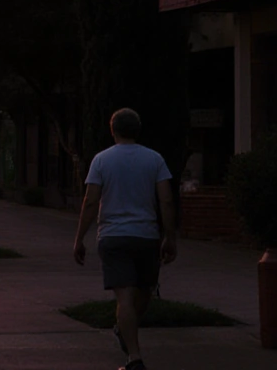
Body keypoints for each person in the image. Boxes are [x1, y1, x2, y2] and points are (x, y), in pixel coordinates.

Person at [73, 108, 177, 370]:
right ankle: (135, 357)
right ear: (137, 130)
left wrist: (79, 238)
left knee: (130, 299)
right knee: (138, 296)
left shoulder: (101, 160)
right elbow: (166, 199)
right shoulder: (154, 159)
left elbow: (90, 201)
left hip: (113, 236)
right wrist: (169, 236)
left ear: (113, 130)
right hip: (146, 236)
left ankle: (125, 334)